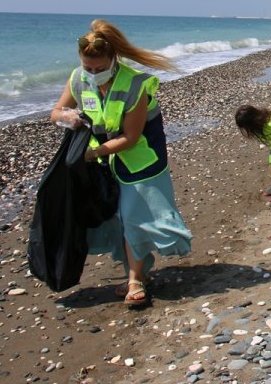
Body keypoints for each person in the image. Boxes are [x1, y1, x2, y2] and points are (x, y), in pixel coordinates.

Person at [51, 19, 192, 307]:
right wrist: (66, 117)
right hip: (104, 161)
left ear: (113, 60)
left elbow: (130, 137)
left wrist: (92, 154)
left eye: (99, 69)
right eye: (88, 68)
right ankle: (138, 270)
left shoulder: (135, 84)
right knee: (115, 218)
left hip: (141, 161)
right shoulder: (78, 77)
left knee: (133, 217)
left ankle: (135, 280)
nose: (93, 74)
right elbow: (56, 111)